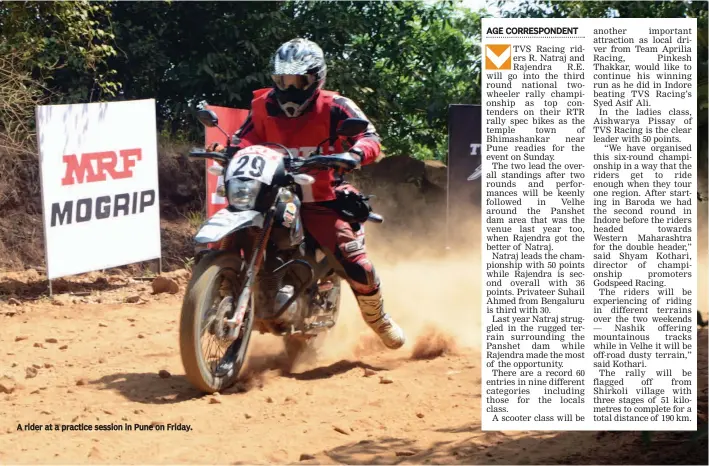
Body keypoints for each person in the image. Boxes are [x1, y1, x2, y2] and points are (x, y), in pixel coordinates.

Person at [207, 38, 405, 350]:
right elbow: (245, 139)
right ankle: (224, 290)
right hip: (270, 189)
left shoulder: (336, 106)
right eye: (283, 80)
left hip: (321, 195)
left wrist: (353, 154)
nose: (289, 88)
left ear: (315, 79)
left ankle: (378, 319)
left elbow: (369, 136)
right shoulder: (262, 106)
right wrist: (228, 149)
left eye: (298, 81)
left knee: (355, 262)